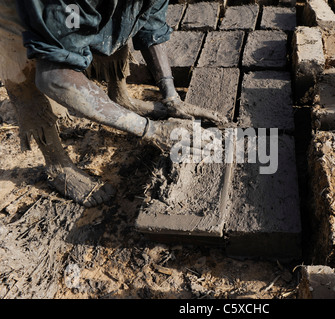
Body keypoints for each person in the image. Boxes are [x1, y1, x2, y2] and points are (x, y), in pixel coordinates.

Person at [0, 0, 224, 207]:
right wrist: (153, 131)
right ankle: (57, 164)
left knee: (119, 19)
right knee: (23, 73)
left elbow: (149, 20)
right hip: (20, 8)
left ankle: (121, 99)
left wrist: (171, 96)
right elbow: (55, 76)